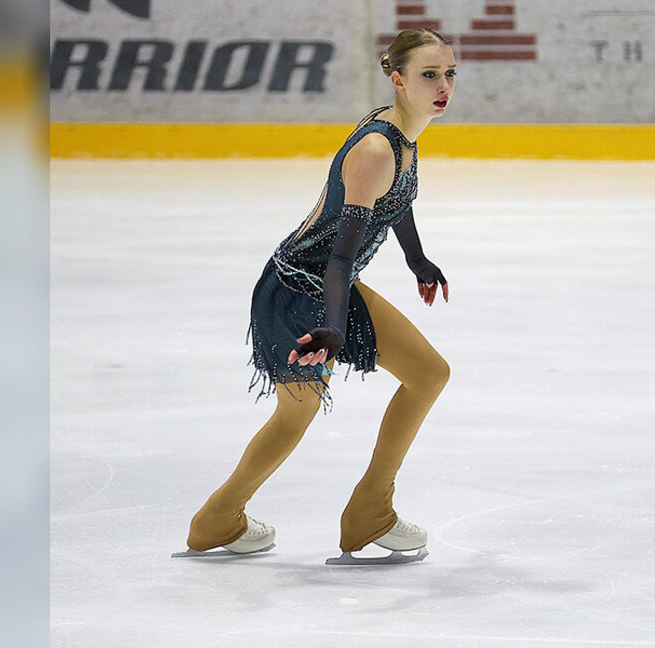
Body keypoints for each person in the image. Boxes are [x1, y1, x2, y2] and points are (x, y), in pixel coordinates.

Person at [183, 29, 456, 563]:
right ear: (399, 81)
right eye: (429, 75)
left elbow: (394, 200)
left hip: (325, 285)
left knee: (428, 374)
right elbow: (337, 258)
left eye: (449, 73)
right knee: (295, 417)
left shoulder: (402, 132)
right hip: (296, 290)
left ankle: (369, 509)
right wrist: (331, 325)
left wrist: (416, 259)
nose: (443, 85)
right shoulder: (378, 148)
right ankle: (217, 518)